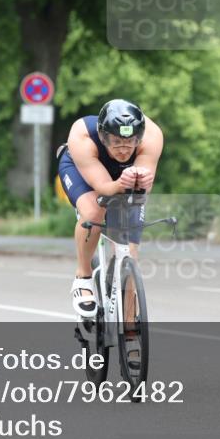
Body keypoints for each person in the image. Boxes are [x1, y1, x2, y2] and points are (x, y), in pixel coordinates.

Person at [56, 99, 163, 317]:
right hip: (83, 171)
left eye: (130, 141)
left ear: (139, 136)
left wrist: (139, 181)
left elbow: (141, 187)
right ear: (104, 137)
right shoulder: (82, 135)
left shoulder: (151, 135)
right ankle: (83, 277)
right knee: (94, 212)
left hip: (123, 177)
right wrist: (120, 183)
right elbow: (104, 187)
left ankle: (130, 323)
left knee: (130, 252)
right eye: (116, 142)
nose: (124, 149)